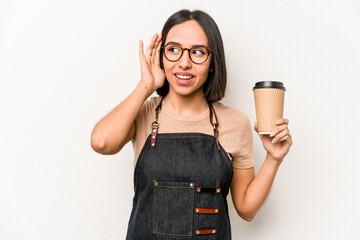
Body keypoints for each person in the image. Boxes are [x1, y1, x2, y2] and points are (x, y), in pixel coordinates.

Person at [90, 9, 293, 240]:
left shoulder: (236, 122)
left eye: (197, 52)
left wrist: (274, 158)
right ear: (161, 56)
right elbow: (100, 142)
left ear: (213, 62)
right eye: (173, 50)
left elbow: (246, 209)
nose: (184, 63)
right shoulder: (143, 112)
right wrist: (146, 85)